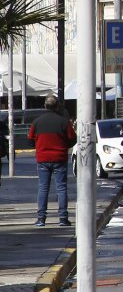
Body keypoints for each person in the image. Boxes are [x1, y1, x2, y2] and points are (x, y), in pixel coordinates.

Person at [28, 95, 75, 227]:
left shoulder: (37, 122)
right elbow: (72, 138)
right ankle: (63, 218)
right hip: (60, 158)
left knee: (43, 188)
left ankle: (41, 218)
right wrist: (64, 146)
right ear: (57, 106)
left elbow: (30, 140)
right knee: (61, 188)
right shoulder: (64, 122)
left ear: (45, 106)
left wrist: (40, 147)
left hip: (42, 158)